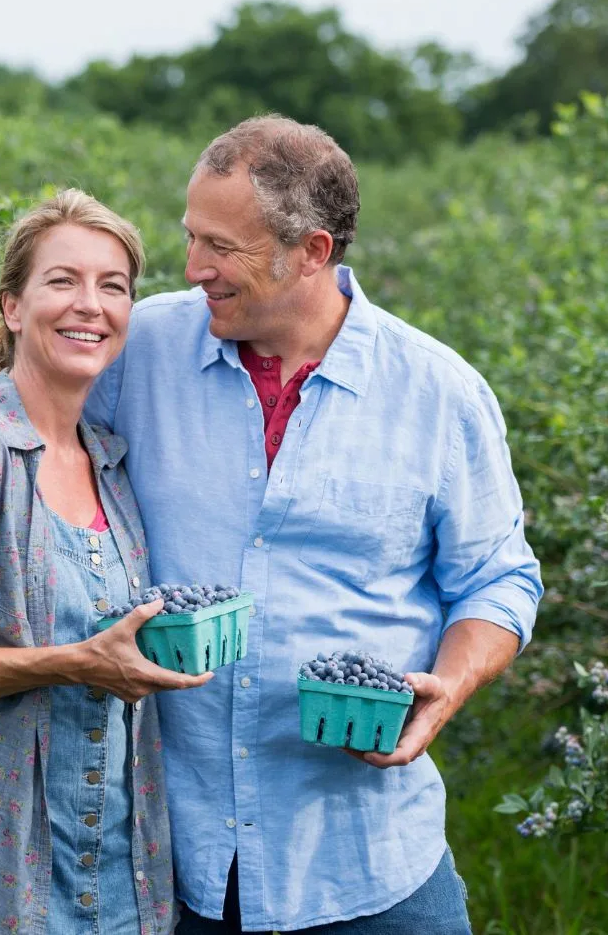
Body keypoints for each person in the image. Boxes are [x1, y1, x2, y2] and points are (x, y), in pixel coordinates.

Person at [85, 115, 543, 934]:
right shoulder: (139, 349)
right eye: (191, 237)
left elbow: (497, 578)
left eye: (222, 248)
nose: (193, 270)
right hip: (170, 859)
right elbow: (24, 453)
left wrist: (450, 687)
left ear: (313, 251)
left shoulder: (438, 393)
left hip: (366, 860)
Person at [0, 189, 212, 935]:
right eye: (63, 281)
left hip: (123, 878)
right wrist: (69, 663)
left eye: (112, 286)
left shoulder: (113, 467)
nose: (90, 304)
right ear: (13, 306)